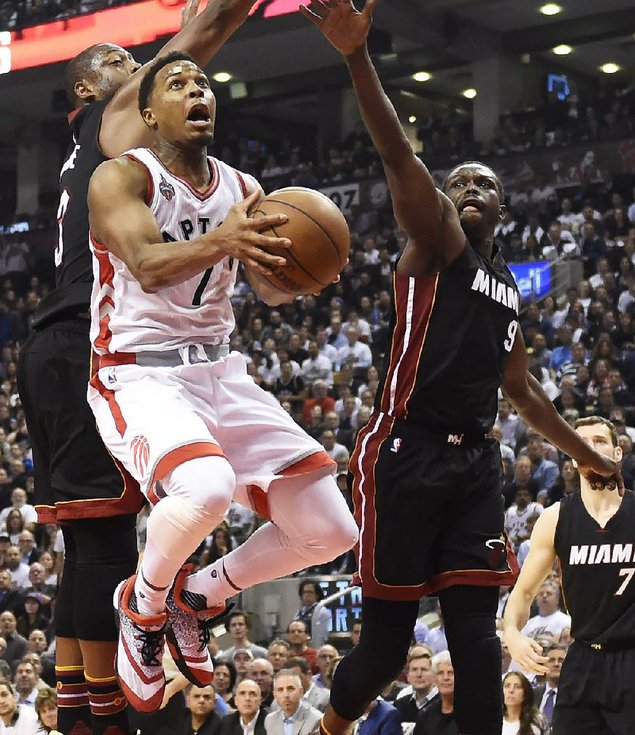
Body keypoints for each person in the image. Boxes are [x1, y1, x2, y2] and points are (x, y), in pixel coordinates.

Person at [300, 3, 623, 735]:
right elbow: (396, 156)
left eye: (483, 187)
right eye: (459, 184)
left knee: (476, 640)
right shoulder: (437, 240)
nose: (468, 192)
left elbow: (522, 391)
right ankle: (329, 727)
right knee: (384, 647)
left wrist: (584, 455)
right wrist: (356, 56)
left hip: (475, 461)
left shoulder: (505, 288)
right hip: (404, 450)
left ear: (503, 210)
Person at [15, 1, 263, 733]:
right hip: (86, 343)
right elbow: (205, 32)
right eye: (126, 67)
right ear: (94, 93)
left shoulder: (87, 153)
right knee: (110, 548)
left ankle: (78, 713)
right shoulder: (114, 121)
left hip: (50, 345)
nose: (141, 72)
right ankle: (109, 717)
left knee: (87, 545)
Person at [86, 52, 357, 714]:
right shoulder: (121, 176)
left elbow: (265, 287)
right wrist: (229, 238)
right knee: (203, 487)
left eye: (203, 83)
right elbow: (148, 264)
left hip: (220, 370)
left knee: (331, 530)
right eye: (177, 84)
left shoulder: (243, 188)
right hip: (138, 372)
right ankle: (143, 605)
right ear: (149, 114)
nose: (195, 91)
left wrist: (305, 269)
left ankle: (198, 594)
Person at [504, 416, 635, 734]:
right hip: (582, 658)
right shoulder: (555, 518)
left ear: (617, 453)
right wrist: (512, 632)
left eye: (600, 442)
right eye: (582, 444)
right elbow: (522, 594)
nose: (591, 449)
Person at [413, 652, 458, 735]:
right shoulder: (425, 715)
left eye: (451, 672)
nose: (446, 678)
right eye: (440, 673)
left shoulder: (473, 713)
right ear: (434, 679)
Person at [265, 670, 322, 735]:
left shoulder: (316, 720)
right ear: (274, 695)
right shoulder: (270, 720)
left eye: (290, 689)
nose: (286, 695)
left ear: (301, 692)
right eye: (280, 690)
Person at [294, 581, 331, 646]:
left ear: (317, 595)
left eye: (310, 592)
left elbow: (323, 636)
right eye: (304, 592)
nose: (307, 595)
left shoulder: (322, 611)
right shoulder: (299, 612)